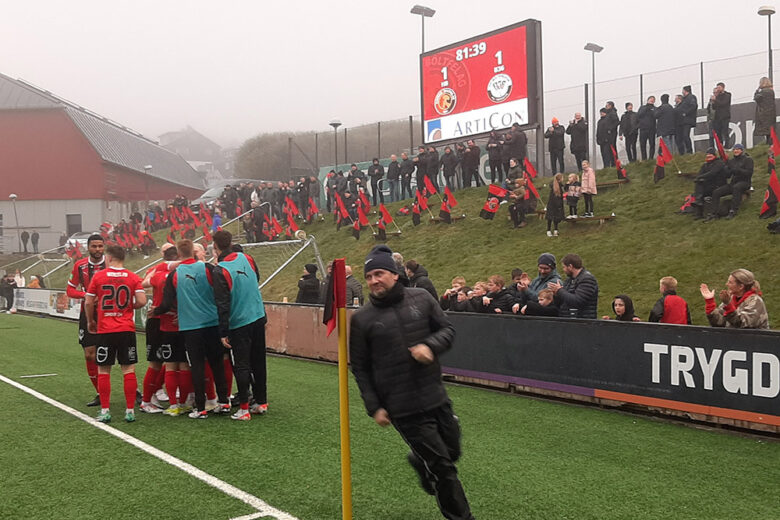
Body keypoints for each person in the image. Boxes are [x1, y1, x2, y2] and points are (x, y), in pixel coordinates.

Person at [349, 245, 475, 520]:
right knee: (443, 468)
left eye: (379, 273)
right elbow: (359, 367)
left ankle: (418, 460)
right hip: (402, 407)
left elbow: (447, 329)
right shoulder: (362, 319)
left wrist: (430, 346)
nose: (373, 281)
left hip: (435, 395)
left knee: (452, 450)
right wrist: (374, 406)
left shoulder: (421, 298)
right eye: (369, 276)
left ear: (394, 274)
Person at [154, 239, 231, 419]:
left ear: (179, 254)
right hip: (212, 323)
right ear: (195, 252)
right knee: (217, 363)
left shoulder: (175, 274)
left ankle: (201, 408)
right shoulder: (208, 268)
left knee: (196, 366)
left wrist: (154, 311)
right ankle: (224, 403)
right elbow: (220, 290)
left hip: (191, 326)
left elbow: (166, 304)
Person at [84, 245, 147, 423]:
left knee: (104, 369)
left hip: (106, 329)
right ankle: (129, 411)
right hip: (126, 329)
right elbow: (142, 301)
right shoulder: (133, 277)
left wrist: (90, 321)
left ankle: (105, 411)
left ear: (109, 258)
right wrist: (128, 307)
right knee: (128, 369)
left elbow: (88, 302)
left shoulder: (99, 276)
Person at [212, 230, 268, 420]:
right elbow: (256, 278)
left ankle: (243, 408)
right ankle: (261, 402)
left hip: (240, 322)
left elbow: (222, 304)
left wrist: (223, 331)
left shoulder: (220, 270)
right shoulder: (247, 257)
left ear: (215, 247)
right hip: (258, 315)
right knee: (259, 360)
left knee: (241, 364)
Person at [146, 244, 193, 416]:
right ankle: (188, 401)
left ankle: (164, 402)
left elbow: (143, 283)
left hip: (164, 324)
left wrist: (156, 309)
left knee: (167, 365)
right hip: (186, 323)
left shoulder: (158, 274)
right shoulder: (190, 272)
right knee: (186, 365)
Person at [66, 233, 107, 406]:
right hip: (88, 314)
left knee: (120, 354)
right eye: (94, 246)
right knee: (90, 355)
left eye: (100, 246)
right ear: (88, 248)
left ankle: (133, 390)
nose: (97, 249)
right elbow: (70, 290)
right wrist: (87, 296)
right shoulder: (79, 266)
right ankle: (100, 393)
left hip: (108, 314)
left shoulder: (111, 263)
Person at [700, 269, 769, 329]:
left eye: (730, 282)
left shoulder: (755, 301)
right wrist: (710, 302)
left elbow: (741, 324)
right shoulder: (731, 298)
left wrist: (729, 305)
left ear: (741, 286)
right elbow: (719, 323)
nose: (726, 284)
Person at [708, 144, 753, 221]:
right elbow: (728, 175)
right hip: (733, 183)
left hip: (745, 182)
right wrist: (725, 168)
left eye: (738, 149)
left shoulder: (748, 159)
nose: (736, 151)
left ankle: (733, 211)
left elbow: (749, 173)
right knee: (716, 192)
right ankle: (713, 213)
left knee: (737, 187)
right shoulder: (731, 161)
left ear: (742, 150)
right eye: (734, 149)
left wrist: (738, 170)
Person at [549, 253, 599, 319]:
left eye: (564, 267)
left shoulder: (587, 279)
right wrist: (556, 294)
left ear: (570, 266)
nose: (563, 270)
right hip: (569, 321)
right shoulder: (569, 280)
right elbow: (561, 303)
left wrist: (559, 290)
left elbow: (577, 301)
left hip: (583, 323)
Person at [691, 148, 728, 220]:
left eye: (710, 154)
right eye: (707, 154)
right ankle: (698, 212)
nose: (708, 155)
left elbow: (713, 173)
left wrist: (700, 177)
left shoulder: (719, 163)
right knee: (698, 187)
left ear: (715, 155)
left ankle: (699, 206)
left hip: (719, 185)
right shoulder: (705, 165)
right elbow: (700, 174)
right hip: (709, 185)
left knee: (699, 190)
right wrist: (699, 178)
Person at [754, 76, 776, 144]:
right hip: (771, 113)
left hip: (764, 114)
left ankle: (769, 146)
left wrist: (757, 91)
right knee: (770, 131)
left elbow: (756, 98)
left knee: (767, 132)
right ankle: (770, 145)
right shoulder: (771, 91)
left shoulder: (763, 92)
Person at [710, 82, 732, 147]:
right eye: (717, 88)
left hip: (725, 116)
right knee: (718, 132)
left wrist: (715, 100)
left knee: (725, 132)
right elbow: (714, 107)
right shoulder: (717, 96)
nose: (718, 89)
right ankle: (720, 145)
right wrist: (713, 101)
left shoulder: (728, 95)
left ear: (723, 87)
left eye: (719, 87)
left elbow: (723, 103)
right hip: (717, 117)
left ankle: (727, 145)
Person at [679, 86, 698, 155]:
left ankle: (689, 151)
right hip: (683, 121)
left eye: (683, 90)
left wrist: (686, 113)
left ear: (685, 91)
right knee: (684, 136)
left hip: (688, 120)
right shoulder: (684, 99)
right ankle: (687, 151)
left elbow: (694, 106)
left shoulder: (691, 97)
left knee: (685, 135)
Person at [637, 96, 657, 161]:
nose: (652, 100)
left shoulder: (655, 108)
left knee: (652, 144)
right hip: (643, 129)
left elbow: (656, 116)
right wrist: (646, 108)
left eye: (653, 100)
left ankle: (651, 158)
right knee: (642, 144)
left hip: (652, 129)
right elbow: (639, 115)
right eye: (651, 99)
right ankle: (644, 158)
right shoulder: (642, 107)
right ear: (648, 100)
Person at [545, 173, 565, 237]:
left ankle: (552, 230)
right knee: (553, 217)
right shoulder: (556, 187)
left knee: (552, 218)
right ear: (560, 179)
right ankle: (552, 230)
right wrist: (559, 204)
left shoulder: (557, 186)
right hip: (555, 205)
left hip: (552, 204)